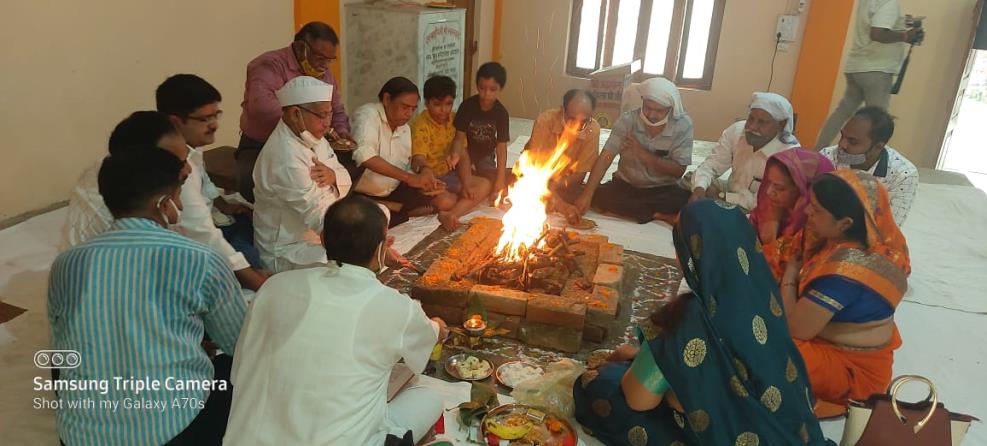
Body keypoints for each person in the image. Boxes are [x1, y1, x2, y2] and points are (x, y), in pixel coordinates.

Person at [573, 199, 827, 445]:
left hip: (714, 436)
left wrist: (635, 361)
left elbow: (639, 399)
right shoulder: (765, 297)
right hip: (789, 436)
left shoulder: (686, 318)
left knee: (598, 386)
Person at [49, 147, 247, 445]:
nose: (180, 204)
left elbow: (62, 349)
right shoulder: (200, 259)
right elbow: (237, 342)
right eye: (178, 195)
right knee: (240, 366)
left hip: (79, 435)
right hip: (171, 431)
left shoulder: (67, 263)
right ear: (164, 203)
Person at [224, 195, 447, 446]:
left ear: (322, 239)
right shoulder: (395, 305)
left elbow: (239, 371)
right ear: (381, 248)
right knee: (430, 397)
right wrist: (439, 326)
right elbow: (431, 337)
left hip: (247, 438)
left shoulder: (275, 285)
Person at [780, 170, 909, 416]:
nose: (807, 213)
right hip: (847, 344)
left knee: (761, 343)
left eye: (816, 210)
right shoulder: (877, 242)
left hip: (854, 372)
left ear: (845, 223)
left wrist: (790, 275)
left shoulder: (845, 273)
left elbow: (794, 330)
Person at [157, 74, 268, 291]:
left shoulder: (190, 145)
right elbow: (203, 234)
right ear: (175, 121)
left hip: (210, 223)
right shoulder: (176, 168)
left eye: (216, 115)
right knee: (247, 257)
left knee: (252, 224)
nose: (214, 125)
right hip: (190, 247)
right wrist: (258, 283)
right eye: (205, 119)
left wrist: (222, 204)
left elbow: (204, 176)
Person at [238, 21, 352, 202]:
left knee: (349, 165)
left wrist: (342, 132)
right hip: (261, 144)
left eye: (330, 60)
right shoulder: (269, 65)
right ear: (301, 48)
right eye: (321, 58)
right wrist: (309, 122)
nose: (325, 66)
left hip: (312, 143)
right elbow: (263, 108)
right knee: (255, 186)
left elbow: (336, 108)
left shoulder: (324, 72)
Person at [252, 76, 353, 273]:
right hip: (289, 248)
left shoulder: (312, 135)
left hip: (322, 230)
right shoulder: (285, 156)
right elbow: (317, 213)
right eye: (322, 115)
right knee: (346, 266)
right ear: (296, 114)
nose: (327, 124)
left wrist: (333, 176)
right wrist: (360, 245)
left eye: (330, 114)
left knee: (377, 214)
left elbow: (344, 177)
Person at [60, 111, 190, 250]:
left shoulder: (142, 181)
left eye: (186, 158)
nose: (188, 169)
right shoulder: (112, 207)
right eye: (178, 164)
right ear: (143, 165)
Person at [574, 77, 693, 224]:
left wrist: (643, 154)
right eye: (648, 108)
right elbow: (606, 157)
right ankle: (655, 214)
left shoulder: (682, 125)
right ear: (642, 101)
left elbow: (678, 170)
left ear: (670, 109)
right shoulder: (627, 121)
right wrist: (588, 194)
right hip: (626, 186)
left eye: (659, 111)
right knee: (590, 193)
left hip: (662, 189)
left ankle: (644, 211)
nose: (652, 115)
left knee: (690, 203)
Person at [815, 0, 925, 149]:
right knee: (878, 124)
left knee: (842, 112)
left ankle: (818, 151)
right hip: (876, 69)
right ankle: (869, 164)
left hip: (857, 66)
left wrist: (901, 21)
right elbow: (877, 33)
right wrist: (905, 36)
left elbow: (873, 23)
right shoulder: (889, 3)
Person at [353, 76, 447, 225]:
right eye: (404, 107)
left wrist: (424, 176)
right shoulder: (368, 115)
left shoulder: (405, 129)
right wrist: (409, 178)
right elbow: (364, 156)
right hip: (361, 194)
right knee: (367, 223)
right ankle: (397, 212)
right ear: (387, 99)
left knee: (444, 200)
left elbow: (405, 166)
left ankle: (394, 210)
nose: (409, 114)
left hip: (393, 192)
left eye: (413, 109)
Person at [689, 92, 800, 211]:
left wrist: (721, 196)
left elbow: (764, 201)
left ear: (781, 125)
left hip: (754, 208)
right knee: (692, 179)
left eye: (762, 122)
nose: (752, 127)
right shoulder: (737, 131)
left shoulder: (789, 154)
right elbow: (711, 165)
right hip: (730, 189)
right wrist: (699, 189)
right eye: (751, 119)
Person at [410, 75, 492, 230]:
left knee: (485, 185)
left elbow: (463, 154)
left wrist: (467, 183)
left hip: (452, 175)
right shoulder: (421, 125)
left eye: (448, 104)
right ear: (426, 103)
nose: (444, 110)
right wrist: (425, 172)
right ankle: (452, 205)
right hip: (432, 179)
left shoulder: (456, 120)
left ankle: (451, 214)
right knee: (445, 201)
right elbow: (418, 159)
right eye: (437, 104)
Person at [819, 106, 918, 225]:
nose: (842, 145)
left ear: (878, 147)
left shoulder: (904, 174)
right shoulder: (827, 156)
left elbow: (887, 228)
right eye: (842, 136)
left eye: (852, 141)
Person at [750, 148, 835, 280]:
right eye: (768, 182)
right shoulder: (766, 209)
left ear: (804, 191)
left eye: (779, 188)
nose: (768, 192)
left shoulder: (816, 231)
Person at [525, 89, 601, 223]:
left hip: (567, 183)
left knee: (597, 197)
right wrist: (561, 205)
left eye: (584, 121)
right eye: (572, 119)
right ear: (562, 110)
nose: (577, 126)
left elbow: (580, 174)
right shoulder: (545, 121)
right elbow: (534, 172)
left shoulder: (592, 129)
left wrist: (553, 188)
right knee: (521, 187)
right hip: (537, 176)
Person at [450, 62, 512, 199]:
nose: (486, 94)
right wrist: (455, 153)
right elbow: (459, 138)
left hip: (486, 155)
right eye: (482, 88)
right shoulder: (467, 106)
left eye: (492, 89)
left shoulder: (501, 113)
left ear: (500, 89)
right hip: (466, 153)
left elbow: (501, 147)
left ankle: (482, 178)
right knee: (461, 177)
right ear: (477, 85)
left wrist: (500, 179)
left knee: (495, 178)